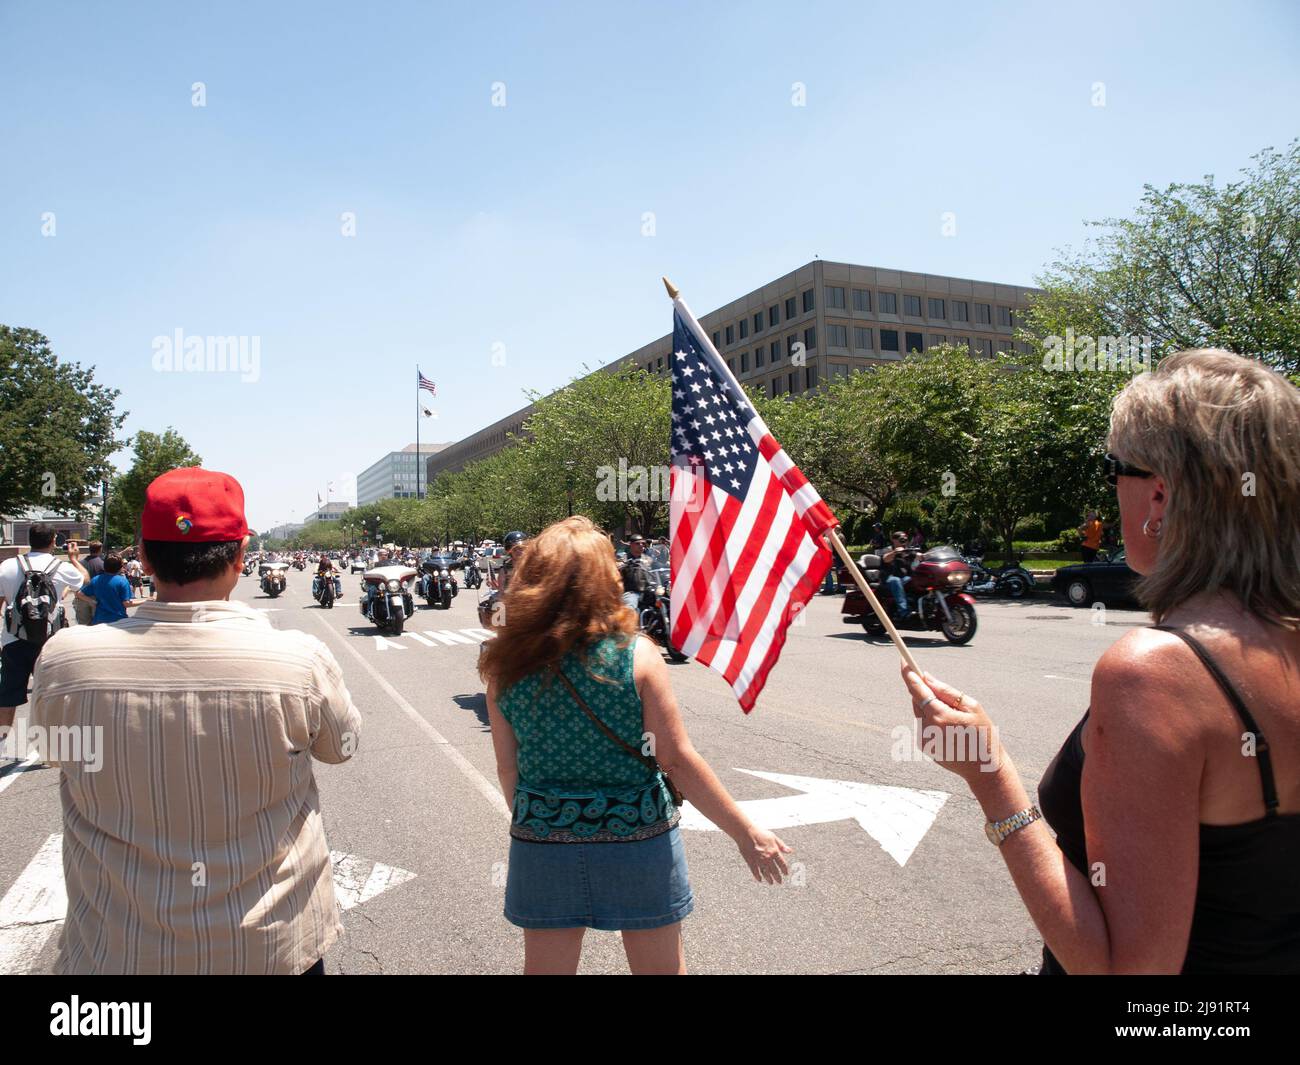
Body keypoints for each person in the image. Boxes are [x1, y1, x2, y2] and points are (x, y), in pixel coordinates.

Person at [901, 350, 1300, 974]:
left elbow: (1122, 973)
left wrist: (990, 775)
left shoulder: (1157, 672)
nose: (1111, 488)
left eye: (1116, 468)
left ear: (1160, 494)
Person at [29, 467, 362, 974]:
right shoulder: (298, 659)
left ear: (144, 556)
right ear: (239, 557)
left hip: (118, 951)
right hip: (271, 950)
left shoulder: (65, 660)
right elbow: (341, 747)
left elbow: (54, 754)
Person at [481, 517, 791, 975]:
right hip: (639, 838)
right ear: (605, 578)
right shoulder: (637, 655)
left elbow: (510, 771)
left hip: (542, 840)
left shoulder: (504, 665)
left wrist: (544, 819)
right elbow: (677, 760)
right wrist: (747, 834)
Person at [0, 525, 88, 753]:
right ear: (53, 541)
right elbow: (85, 580)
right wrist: (74, 558)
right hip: (50, 641)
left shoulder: (8, 566)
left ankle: (2, 740)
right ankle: (51, 746)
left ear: (29, 540)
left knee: (8, 695)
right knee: (52, 694)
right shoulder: (62, 567)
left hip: (13, 639)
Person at [75, 553, 141, 624]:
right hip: (118, 621)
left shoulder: (96, 579)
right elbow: (126, 603)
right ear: (120, 567)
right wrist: (145, 601)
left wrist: (93, 602)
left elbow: (79, 594)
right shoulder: (123, 581)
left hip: (99, 621)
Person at [882, 531, 915, 620]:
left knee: (916, 579)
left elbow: (917, 556)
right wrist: (895, 552)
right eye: (901, 539)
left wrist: (924, 555)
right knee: (895, 580)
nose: (904, 541)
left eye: (905, 539)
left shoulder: (907, 551)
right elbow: (885, 558)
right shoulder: (889, 549)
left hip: (903, 578)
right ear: (894, 540)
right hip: (888, 579)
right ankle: (904, 611)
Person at [71, 541, 105, 626]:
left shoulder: (80, 563)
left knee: (83, 625)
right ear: (100, 550)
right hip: (97, 597)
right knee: (97, 625)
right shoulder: (102, 564)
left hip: (81, 596)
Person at [620, 533, 652, 613]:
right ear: (630, 544)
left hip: (648, 591)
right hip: (631, 592)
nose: (641, 545)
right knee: (630, 609)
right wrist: (622, 565)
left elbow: (658, 568)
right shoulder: (623, 559)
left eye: (643, 543)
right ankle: (629, 625)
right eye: (637, 543)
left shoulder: (648, 559)